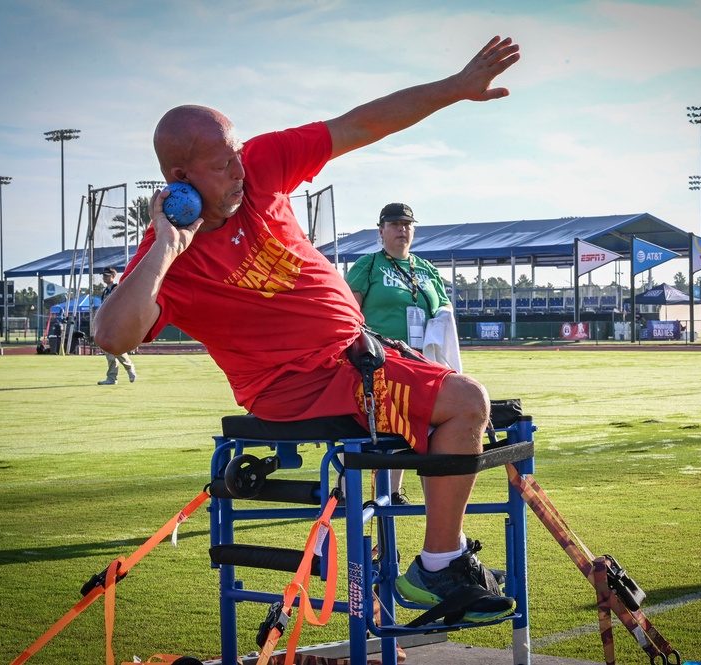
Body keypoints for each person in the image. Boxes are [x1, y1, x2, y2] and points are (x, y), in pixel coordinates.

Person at [95, 36, 520, 622]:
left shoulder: (261, 167)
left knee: (482, 411)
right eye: (223, 166)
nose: (241, 171)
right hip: (296, 387)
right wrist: (168, 242)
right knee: (466, 401)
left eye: (237, 154)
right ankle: (438, 569)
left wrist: (454, 88)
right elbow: (111, 336)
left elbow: (359, 125)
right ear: (180, 178)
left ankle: (440, 561)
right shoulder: (171, 259)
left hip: (358, 358)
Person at [346, 202, 458, 506]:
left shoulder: (426, 268)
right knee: (374, 425)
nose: (401, 229)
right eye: (394, 224)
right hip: (379, 360)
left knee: (411, 425)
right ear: (381, 230)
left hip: (421, 360)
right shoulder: (368, 265)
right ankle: (346, 492)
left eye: (407, 224)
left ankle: (393, 492)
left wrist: (443, 316)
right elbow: (348, 312)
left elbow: (443, 307)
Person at [96, 267, 137, 385]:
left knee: (115, 348)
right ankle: (111, 378)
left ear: (113, 276)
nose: (104, 277)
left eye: (107, 275)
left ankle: (129, 367)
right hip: (107, 324)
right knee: (108, 352)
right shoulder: (105, 291)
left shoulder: (117, 288)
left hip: (116, 323)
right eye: (104, 275)